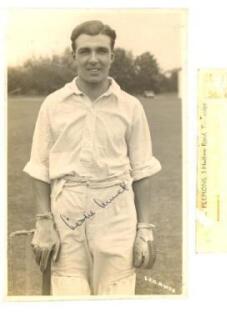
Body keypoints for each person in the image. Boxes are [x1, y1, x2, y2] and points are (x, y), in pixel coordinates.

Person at [24, 20, 161, 295]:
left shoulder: (131, 107)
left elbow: (143, 171)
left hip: (117, 213)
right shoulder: (53, 104)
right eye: (85, 51)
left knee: (116, 294)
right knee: (68, 295)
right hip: (67, 213)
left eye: (101, 51)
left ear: (112, 56)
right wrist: (43, 222)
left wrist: (145, 230)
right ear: (73, 56)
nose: (93, 59)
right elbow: (40, 167)